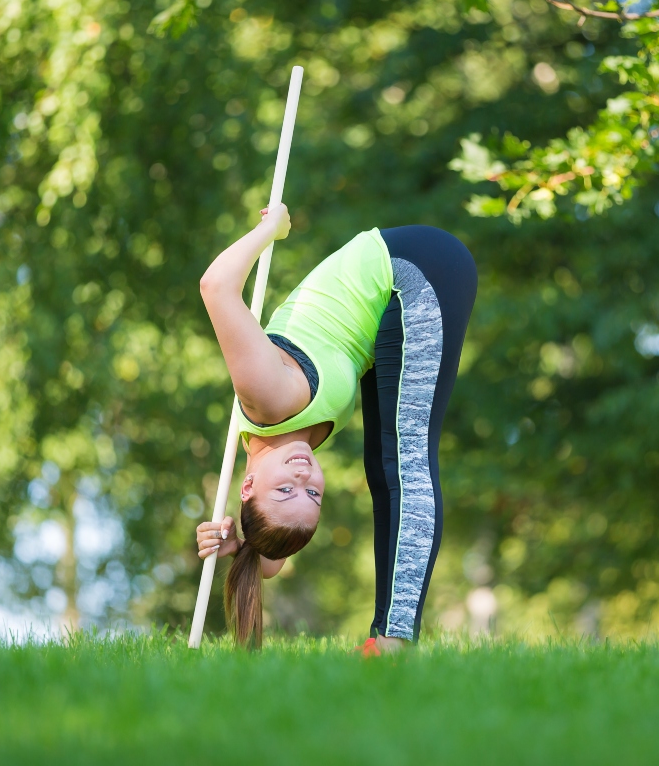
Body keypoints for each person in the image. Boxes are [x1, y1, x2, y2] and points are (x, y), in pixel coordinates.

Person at [195, 204, 477, 652]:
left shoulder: (264, 397)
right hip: (394, 298)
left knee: (404, 464)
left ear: (246, 487)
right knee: (384, 472)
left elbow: (215, 288)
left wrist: (269, 230)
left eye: (286, 491)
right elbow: (272, 554)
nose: (305, 480)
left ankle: (393, 643)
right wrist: (245, 547)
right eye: (313, 495)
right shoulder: (279, 444)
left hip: (412, 271)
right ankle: (384, 640)